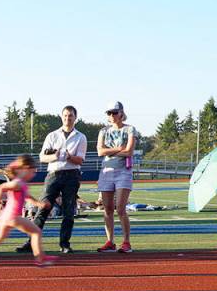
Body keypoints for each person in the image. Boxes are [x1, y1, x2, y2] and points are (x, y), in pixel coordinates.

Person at [18, 106, 87, 254]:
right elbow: (42, 157)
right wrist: (54, 156)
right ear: (61, 117)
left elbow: (80, 160)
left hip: (72, 175)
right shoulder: (52, 135)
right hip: (54, 174)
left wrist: (69, 157)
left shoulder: (81, 137)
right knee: (43, 208)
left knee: (68, 211)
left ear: (75, 118)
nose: (67, 118)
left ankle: (64, 244)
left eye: (70, 116)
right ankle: (31, 242)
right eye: (65, 115)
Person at [95, 101, 137, 253]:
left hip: (123, 171)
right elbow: (100, 151)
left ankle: (126, 242)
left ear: (121, 113)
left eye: (114, 112)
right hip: (106, 171)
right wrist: (119, 149)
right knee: (107, 208)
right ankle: (110, 241)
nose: (112, 115)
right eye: (109, 113)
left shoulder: (130, 129)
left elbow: (129, 151)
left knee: (120, 208)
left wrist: (110, 151)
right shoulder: (103, 131)